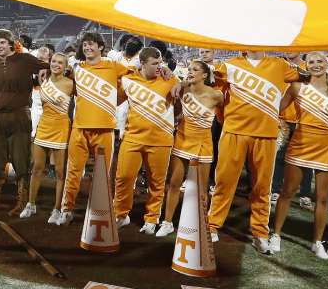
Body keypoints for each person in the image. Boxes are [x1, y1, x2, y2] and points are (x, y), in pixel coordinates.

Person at [207, 51, 299, 252]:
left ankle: (260, 232)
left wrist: (278, 109)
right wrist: (224, 119)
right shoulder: (228, 65)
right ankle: (212, 226)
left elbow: (303, 81)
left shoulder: (280, 65)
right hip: (234, 132)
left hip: (266, 134)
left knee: (262, 187)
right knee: (224, 182)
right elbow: (216, 94)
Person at [271, 51, 328, 258]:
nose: (316, 64)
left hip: (327, 145)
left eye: (320, 61)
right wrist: (279, 126)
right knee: (287, 191)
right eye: (311, 61)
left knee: (322, 197)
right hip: (300, 143)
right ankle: (276, 235)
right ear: (306, 64)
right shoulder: (296, 86)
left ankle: (317, 241)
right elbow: (277, 108)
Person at [59, 32, 131, 223]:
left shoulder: (113, 65)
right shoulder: (76, 67)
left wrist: (117, 99)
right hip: (80, 127)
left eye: (91, 44)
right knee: (73, 171)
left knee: (102, 174)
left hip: (105, 129)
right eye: (85, 45)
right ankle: (67, 209)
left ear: (101, 47)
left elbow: (135, 80)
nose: (87, 48)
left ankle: (99, 209)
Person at [0, 29, 47, 214]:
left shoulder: (25, 59)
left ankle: (23, 202)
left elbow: (48, 68)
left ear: (11, 44)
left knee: (21, 160)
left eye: (2, 42)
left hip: (19, 115)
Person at [113, 47, 177, 234]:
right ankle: (121, 214)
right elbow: (116, 100)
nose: (159, 67)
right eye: (154, 63)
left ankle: (151, 218)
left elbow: (181, 96)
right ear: (142, 63)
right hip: (133, 137)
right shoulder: (128, 79)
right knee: (123, 177)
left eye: (160, 63)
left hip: (161, 139)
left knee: (156, 183)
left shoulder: (170, 79)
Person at [159, 59, 225, 237]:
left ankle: (202, 223)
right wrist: (181, 82)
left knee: (201, 189)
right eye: (189, 69)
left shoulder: (217, 95)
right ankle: (167, 222)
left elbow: (224, 116)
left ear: (204, 75)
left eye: (195, 69)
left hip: (204, 144)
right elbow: (174, 98)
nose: (190, 71)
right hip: (182, 140)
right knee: (174, 183)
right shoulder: (182, 89)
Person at [25, 51, 74, 222]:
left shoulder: (71, 84)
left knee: (60, 172)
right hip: (43, 126)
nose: (56, 65)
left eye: (60, 63)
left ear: (66, 66)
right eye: (54, 61)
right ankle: (30, 204)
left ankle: (57, 209)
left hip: (61, 128)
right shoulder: (43, 79)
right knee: (37, 168)